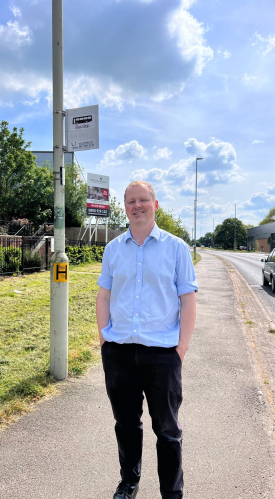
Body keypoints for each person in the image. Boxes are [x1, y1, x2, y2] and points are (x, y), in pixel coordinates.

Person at [96, 180, 198, 499]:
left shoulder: (177, 249)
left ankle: (172, 492)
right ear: (124, 207)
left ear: (156, 205)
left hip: (163, 354)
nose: (136, 206)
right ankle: (129, 481)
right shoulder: (113, 250)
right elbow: (103, 297)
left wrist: (180, 349)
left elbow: (188, 301)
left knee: (167, 431)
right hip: (119, 353)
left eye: (143, 200)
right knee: (126, 425)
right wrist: (104, 342)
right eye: (130, 201)